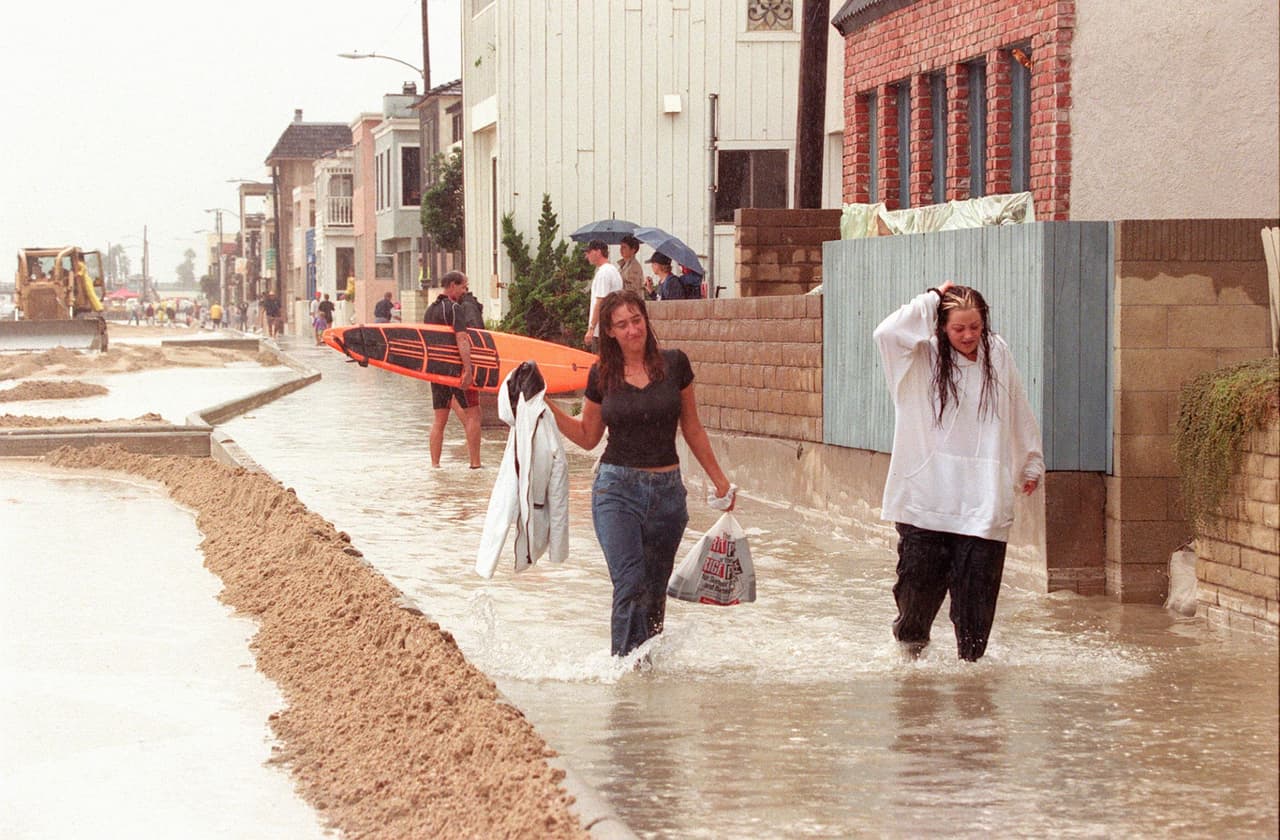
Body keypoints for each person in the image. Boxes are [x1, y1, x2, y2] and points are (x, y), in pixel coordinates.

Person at [547, 289, 736, 658]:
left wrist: (720, 480)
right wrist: (546, 405)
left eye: (637, 320)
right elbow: (587, 437)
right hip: (616, 491)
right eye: (622, 324)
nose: (633, 329)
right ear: (610, 332)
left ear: (646, 320)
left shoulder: (675, 364)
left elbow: (692, 428)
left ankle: (645, 678)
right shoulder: (602, 374)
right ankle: (621, 672)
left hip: (668, 496)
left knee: (653, 594)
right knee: (629, 583)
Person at [872, 281, 1044, 662]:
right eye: (958, 328)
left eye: (975, 327)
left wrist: (1030, 461)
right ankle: (911, 680)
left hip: (983, 502)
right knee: (916, 604)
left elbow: (1017, 405)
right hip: (925, 502)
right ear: (940, 326)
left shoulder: (996, 352)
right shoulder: (917, 356)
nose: (968, 336)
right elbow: (886, 332)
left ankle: (973, 696)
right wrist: (932, 297)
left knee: (975, 616)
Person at [425, 271, 484, 469]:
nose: (464, 291)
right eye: (462, 287)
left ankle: (435, 466)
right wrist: (468, 369)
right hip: (456, 370)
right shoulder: (455, 308)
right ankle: (475, 465)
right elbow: (462, 339)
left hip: (436, 371)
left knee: (439, 421)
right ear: (452, 286)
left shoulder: (429, 311)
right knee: (474, 415)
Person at [583, 239, 623, 352]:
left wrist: (591, 328)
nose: (587, 256)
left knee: (600, 363)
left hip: (601, 330)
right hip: (612, 326)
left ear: (598, 252)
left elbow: (600, 301)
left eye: (589, 252)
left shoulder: (603, 273)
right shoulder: (614, 270)